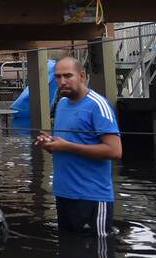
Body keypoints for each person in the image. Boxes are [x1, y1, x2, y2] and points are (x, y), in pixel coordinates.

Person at [34, 56, 122, 236]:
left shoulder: (98, 105)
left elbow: (115, 151)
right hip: (63, 193)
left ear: (82, 76)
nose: (62, 81)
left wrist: (67, 146)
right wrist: (50, 144)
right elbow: (65, 144)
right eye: (57, 77)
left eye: (68, 76)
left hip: (92, 197)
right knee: (69, 252)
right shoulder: (62, 104)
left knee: (97, 255)